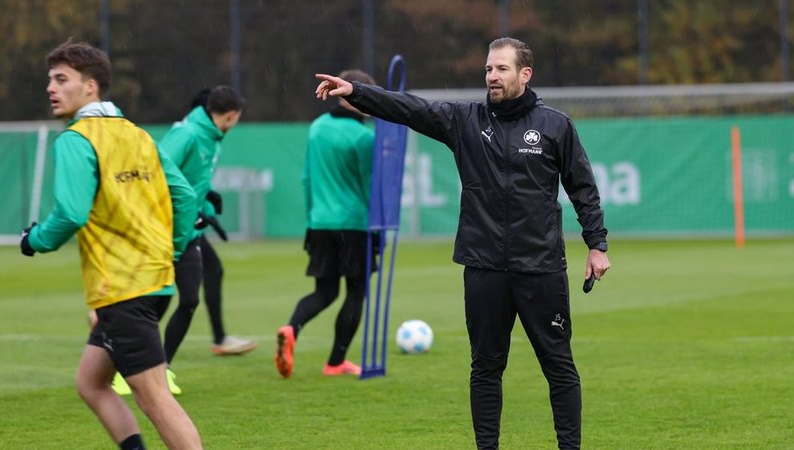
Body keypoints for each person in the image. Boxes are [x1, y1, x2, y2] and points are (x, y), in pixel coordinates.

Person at [314, 37, 611, 450]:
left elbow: (583, 189)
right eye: (489, 69)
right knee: (486, 368)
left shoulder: (556, 126)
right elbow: (410, 109)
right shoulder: (465, 120)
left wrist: (597, 245)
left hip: (540, 268)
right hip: (484, 267)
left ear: (525, 74)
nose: (492, 76)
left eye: (502, 69)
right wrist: (358, 92)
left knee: (559, 366)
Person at [20, 39, 202, 449]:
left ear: (90, 88)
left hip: (122, 288)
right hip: (153, 283)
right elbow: (186, 197)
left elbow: (70, 213)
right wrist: (171, 252)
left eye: (61, 79)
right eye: (50, 79)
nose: (51, 87)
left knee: (153, 396)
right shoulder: (136, 135)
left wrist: (34, 241)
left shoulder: (75, 139)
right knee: (91, 382)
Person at [275, 69, 377, 378]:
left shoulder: (317, 128)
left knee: (325, 291)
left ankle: (291, 328)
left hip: (319, 222)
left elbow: (307, 179)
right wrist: (378, 228)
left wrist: (310, 221)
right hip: (354, 225)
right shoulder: (364, 138)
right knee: (355, 292)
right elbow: (370, 187)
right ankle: (335, 362)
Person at [157, 85, 254, 394]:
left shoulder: (212, 135)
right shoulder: (188, 135)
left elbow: (193, 178)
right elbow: (156, 175)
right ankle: (123, 353)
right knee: (159, 300)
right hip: (168, 229)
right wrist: (186, 212)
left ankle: (160, 367)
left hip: (189, 228)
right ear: (231, 115)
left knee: (190, 297)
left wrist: (207, 201)